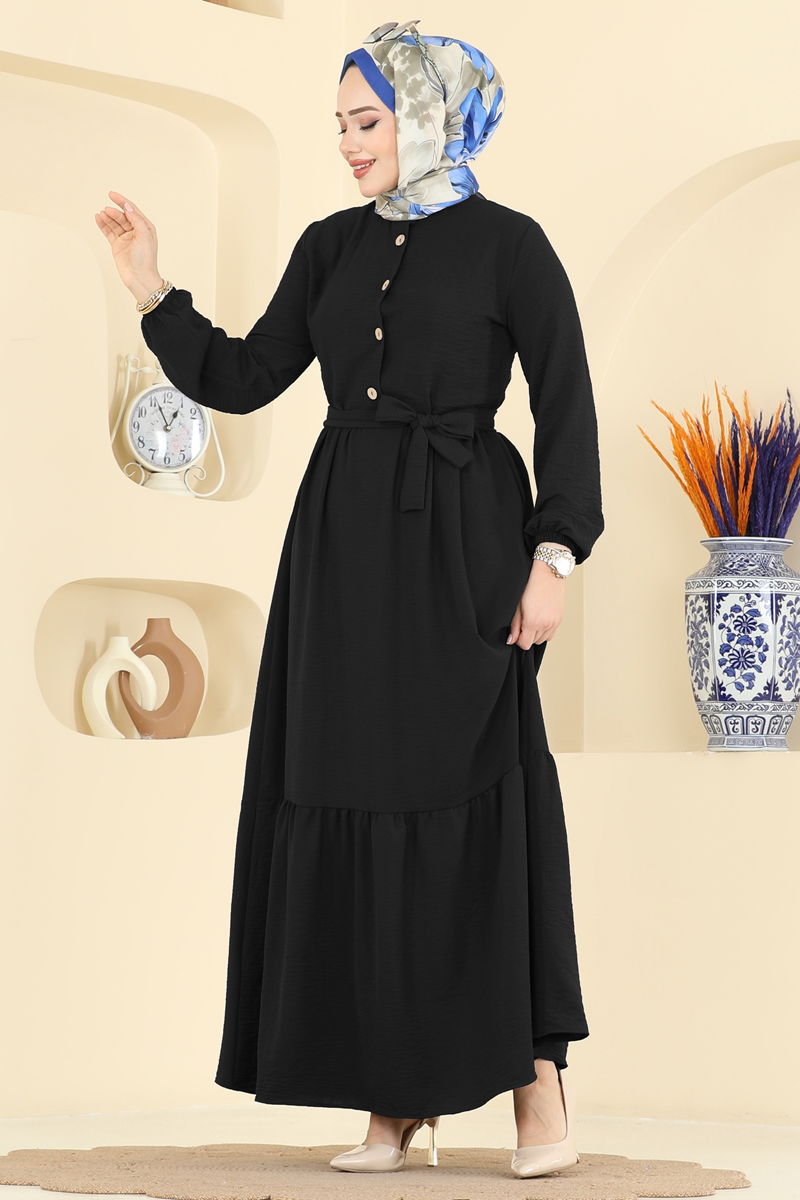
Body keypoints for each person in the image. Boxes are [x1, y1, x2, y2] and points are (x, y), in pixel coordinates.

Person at [94, 17, 604, 1179]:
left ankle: (535, 1080)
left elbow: (566, 403)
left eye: (366, 122)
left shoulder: (511, 246)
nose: (348, 144)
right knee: (350, 786)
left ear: (427, 115)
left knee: (474, 788)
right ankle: (392, 1098)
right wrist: (150, 287)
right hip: (340, 553)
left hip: (466, 547)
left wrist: (553, 557)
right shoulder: (328, 247)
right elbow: (243, 375)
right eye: (337, 126)